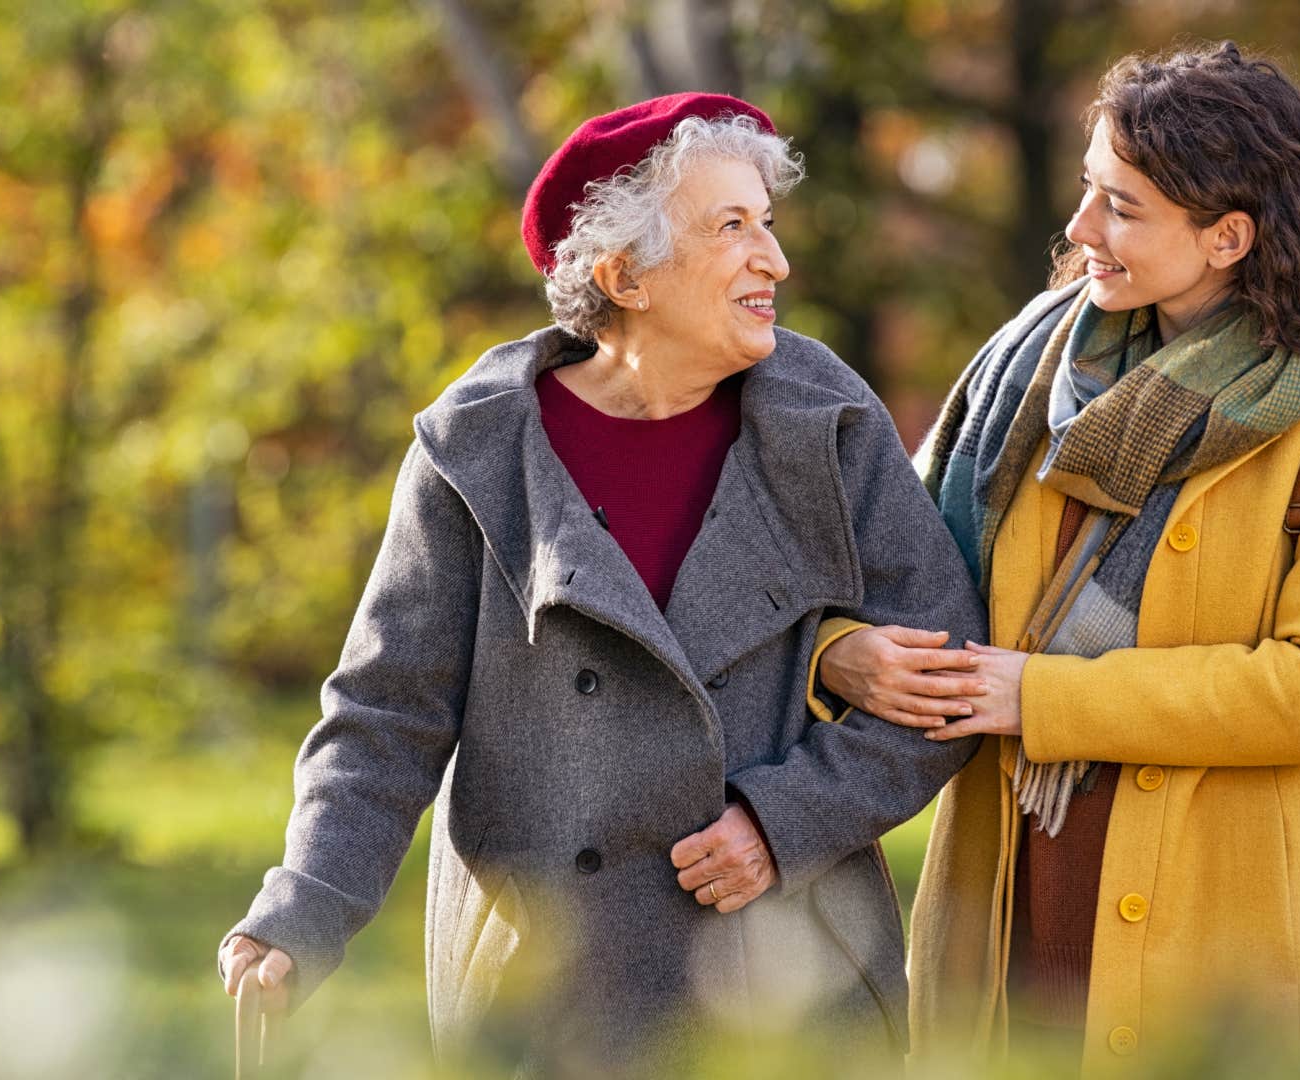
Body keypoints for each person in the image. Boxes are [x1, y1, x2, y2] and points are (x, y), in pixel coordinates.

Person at [216, 93, 987, 1073]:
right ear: (623, 275)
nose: (775, 261)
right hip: (550, 988)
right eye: (732, 228)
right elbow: (384, 720)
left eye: (768, 222)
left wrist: (782, 820)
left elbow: (946, 675)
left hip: (787, 978)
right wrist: (300, 915)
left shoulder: (825, 420)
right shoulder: (478, 450)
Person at [813, 42, 1300, 1073]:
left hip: (1230, 931)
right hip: (1011, 900)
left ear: (1227, 236)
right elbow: (874, 574)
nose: (1079, 231)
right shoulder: (1027, 374)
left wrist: (1047, 699)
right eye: (1086, 191)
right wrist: (841, 654)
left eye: (1121, 207)